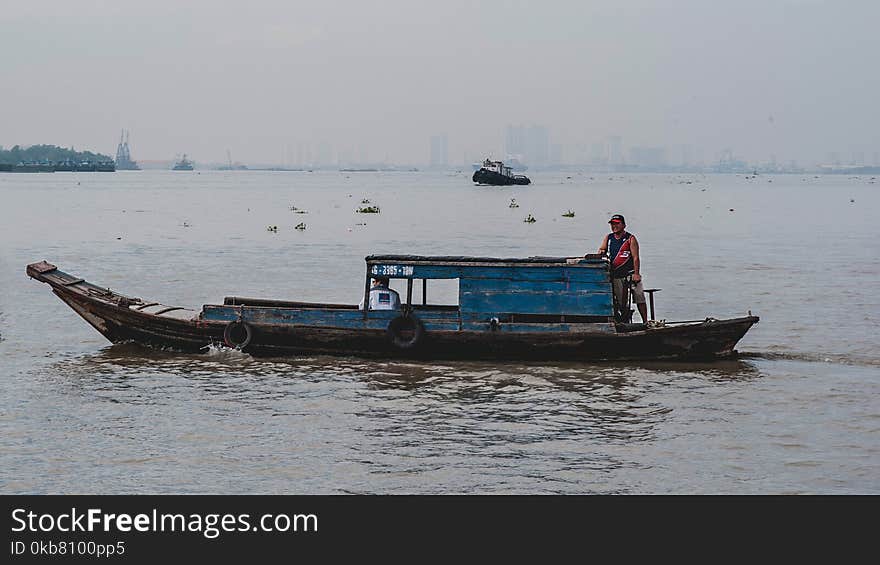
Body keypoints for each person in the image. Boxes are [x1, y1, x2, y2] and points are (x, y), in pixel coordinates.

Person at [597, 214, 648, 323]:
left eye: (617, 224)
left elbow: (636, 258)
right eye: (612, 224)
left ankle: (645, 321)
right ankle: (625, 321)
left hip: (630, 274)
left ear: (623, 225)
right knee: (621, 302)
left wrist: (637, 274)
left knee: (639, 297)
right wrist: (601, 252)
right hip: (616, 275)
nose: (614, 226)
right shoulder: (609, 238)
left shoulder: (630, 238)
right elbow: (602, 249)